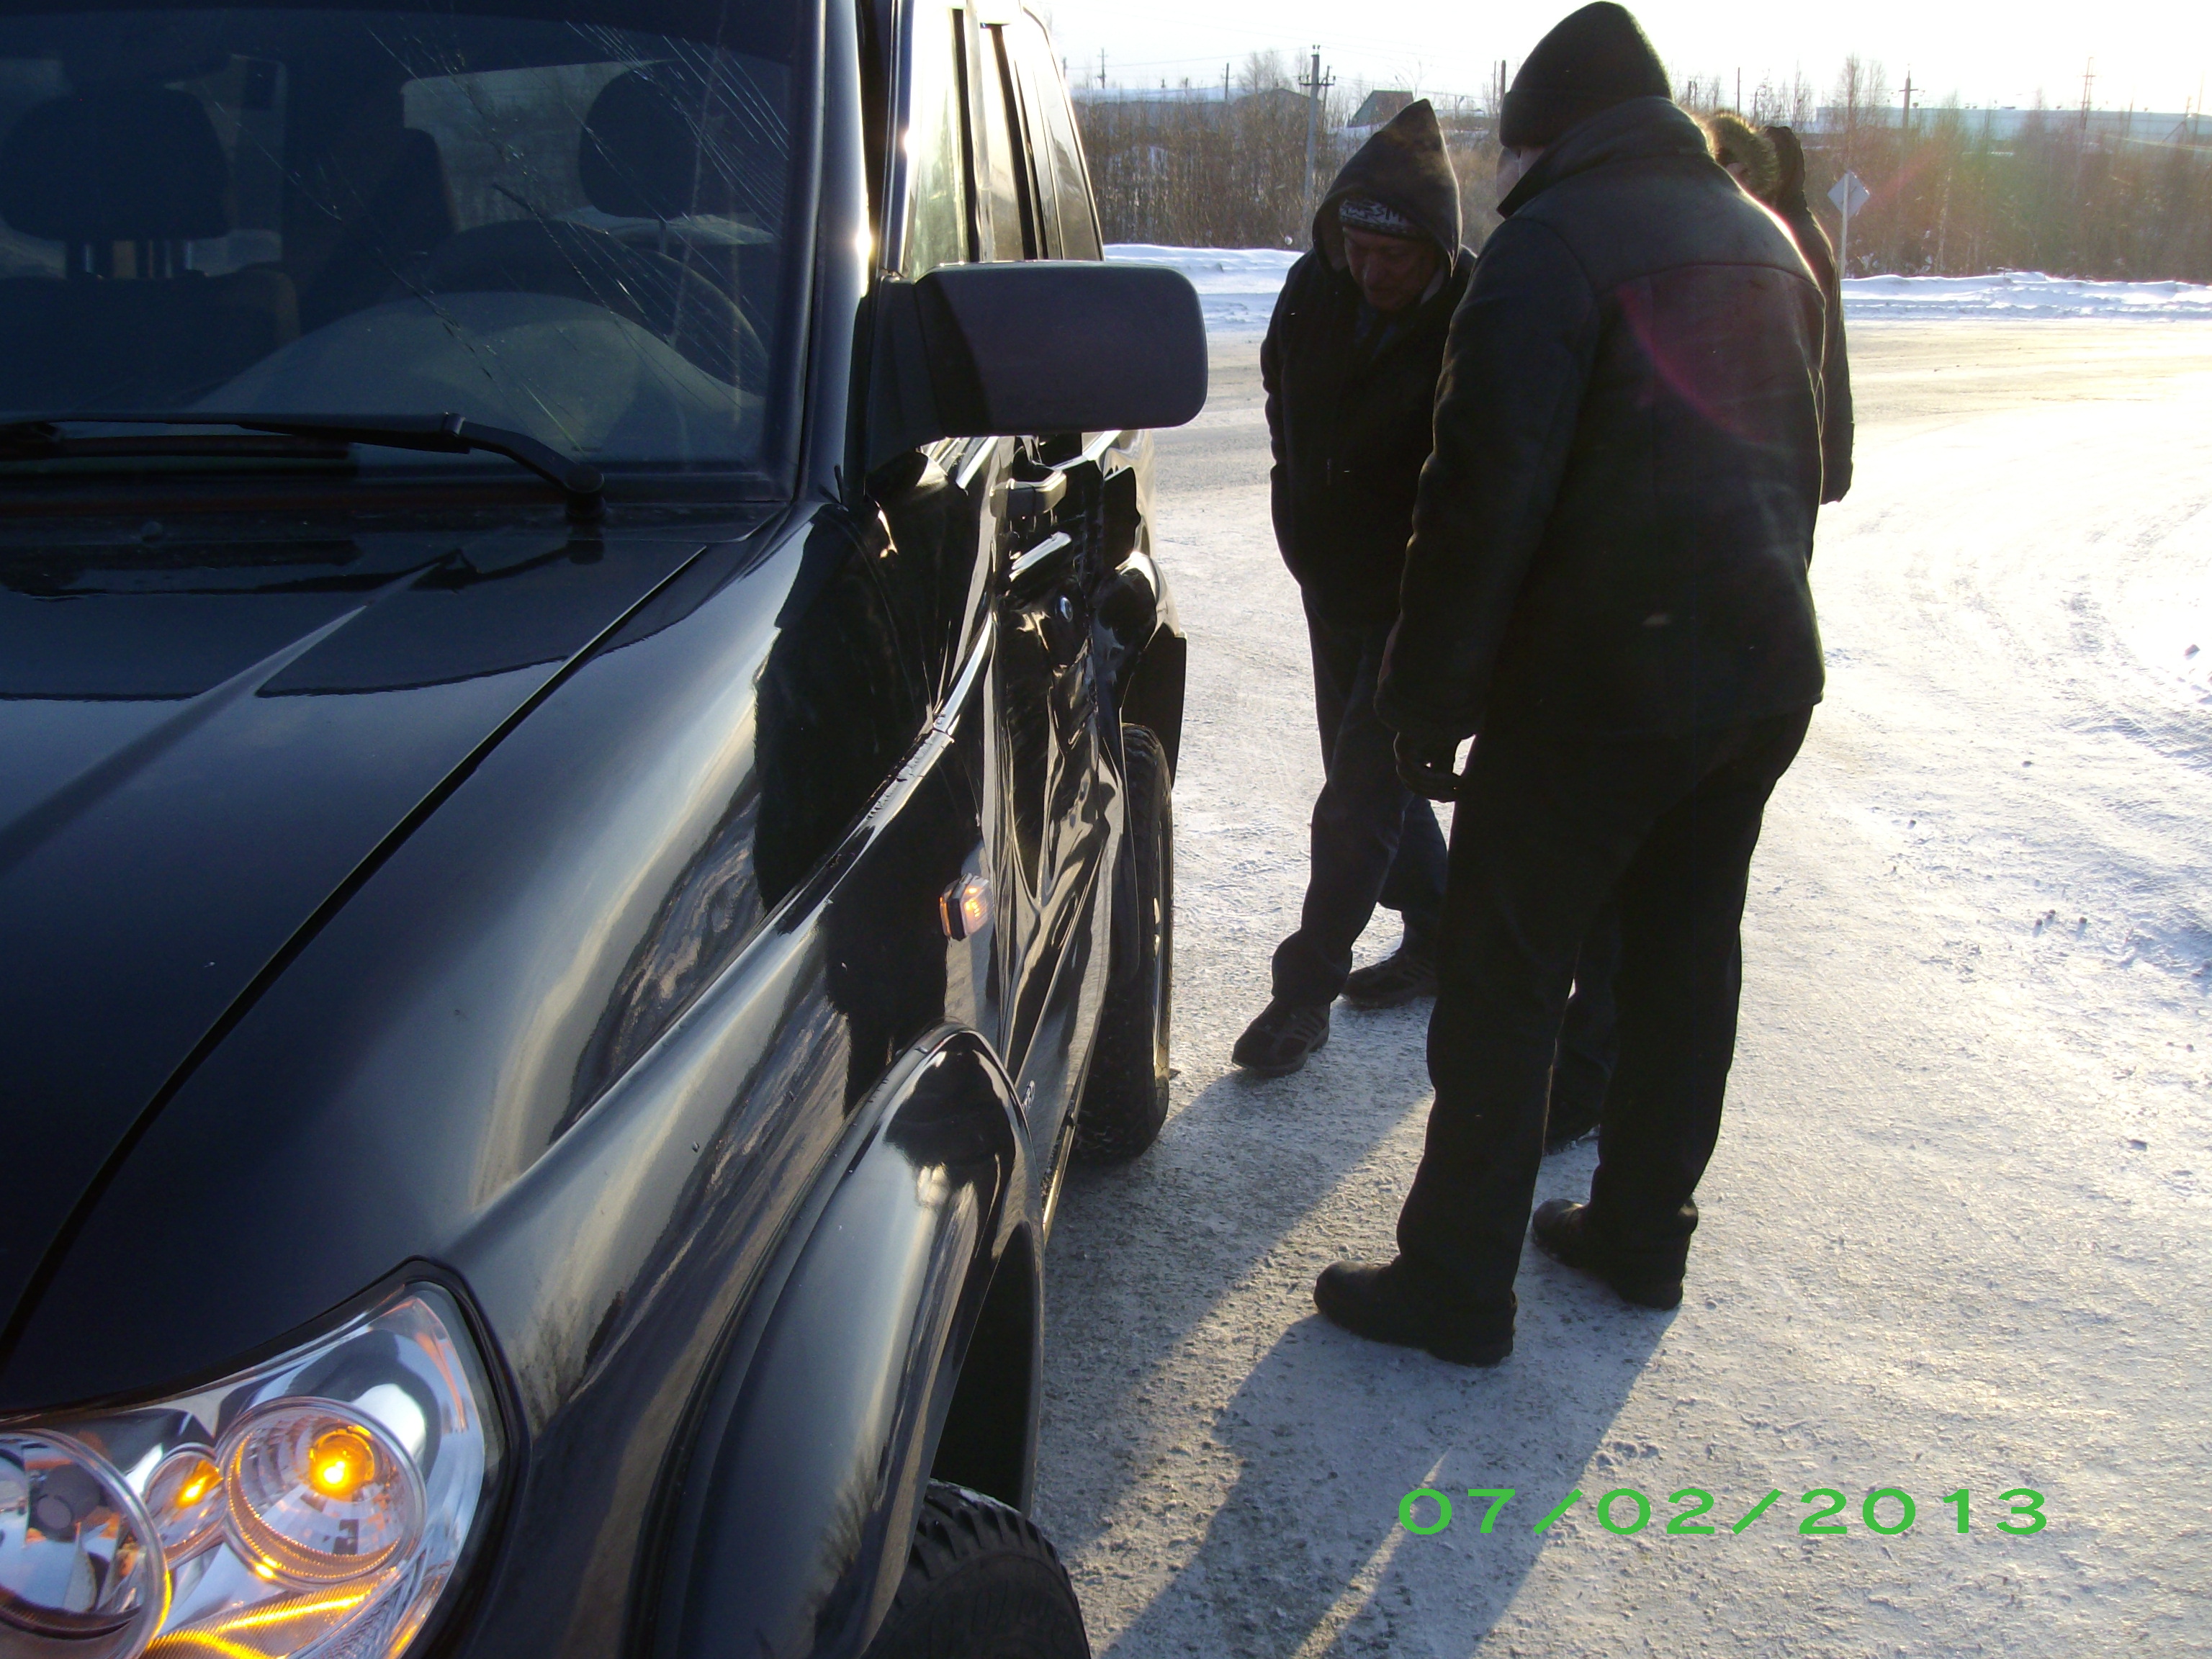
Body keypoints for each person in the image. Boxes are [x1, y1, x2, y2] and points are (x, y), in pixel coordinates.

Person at [1311, 1, 1827, 1366]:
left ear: (1545, 138)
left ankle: (1454, 1285)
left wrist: (1427, 703)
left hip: (1597, 691)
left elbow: (1479, 498)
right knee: (1684, 960)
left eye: (1511, 149)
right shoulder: (1766, 236)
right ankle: (1643, 1235)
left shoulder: (1548, 250)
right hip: (1761, 679)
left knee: (1508, 973)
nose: (1504, 174)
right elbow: (1821, 465)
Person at [1232, 100, 1473, 1078]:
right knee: (1373, 773)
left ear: (1437, 253)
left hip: (1421, 593)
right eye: (1357, 248)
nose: (1371, 271)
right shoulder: (1314, 286)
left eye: (1395, 257)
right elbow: (1279, 388)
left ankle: (1304, 993)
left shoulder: (1474, 317)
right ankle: (1441, 930)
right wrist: (1297, 491)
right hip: (1330, 576)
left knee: (1359, 795)